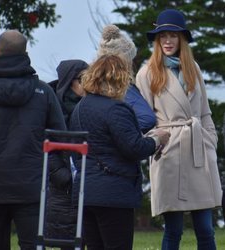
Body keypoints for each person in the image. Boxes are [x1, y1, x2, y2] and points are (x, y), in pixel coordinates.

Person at [135, 9, 222, 250]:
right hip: (169, 152)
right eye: (162, 36)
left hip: (198, 151)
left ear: (181, 39)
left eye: (173, 36)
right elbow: (143, 118)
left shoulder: (192, 68)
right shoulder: (147, 72)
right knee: (173, 230)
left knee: (206, 229)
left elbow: (204, 112)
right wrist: (157, 142)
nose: (167, 41)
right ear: (156, 40)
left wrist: (209, 141)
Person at [0, 30, 67, 250]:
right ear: (25, 54)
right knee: (33, 244)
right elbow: (60, 137)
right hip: (32, 184)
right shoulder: (43, 91)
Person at [70, 54, 170, 250]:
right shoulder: (117, 109)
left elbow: (76, 151)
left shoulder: (80, 108)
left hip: (86, 192)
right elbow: (134, 148)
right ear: (120, 79)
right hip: (113, 192)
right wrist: (157, 139)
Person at [45, 59, 88, 250]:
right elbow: (46, 145)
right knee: (67, 241)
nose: (89, 82)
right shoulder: (52, 107)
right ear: (71, 80)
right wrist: (61, 175)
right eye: (83, 78)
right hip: (63, 185)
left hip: (87, 180)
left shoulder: (91, 105)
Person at [97, 24, 156, 134]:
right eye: (131, 59)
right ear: (125, 62)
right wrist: (125, 135)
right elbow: (147, 119)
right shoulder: (124, 88)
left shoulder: (94, 86)